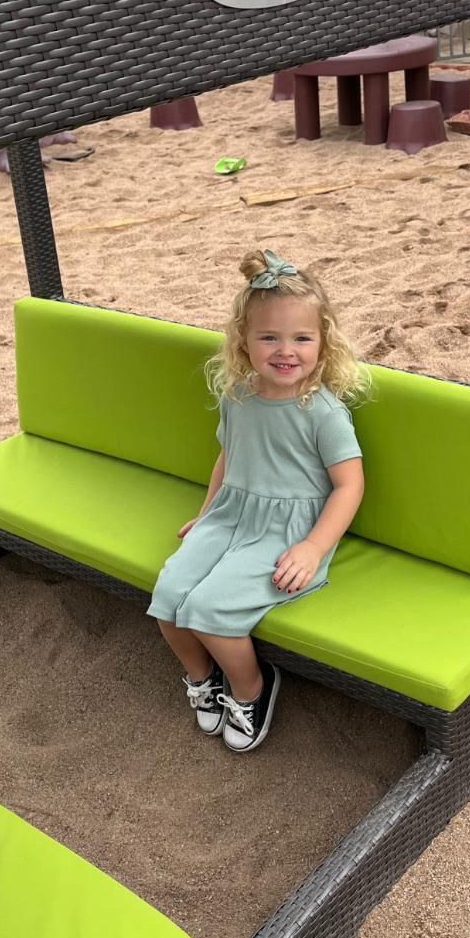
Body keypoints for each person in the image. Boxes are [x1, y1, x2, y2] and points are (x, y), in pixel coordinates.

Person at [148, 248, 367, 753]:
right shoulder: (238, 396)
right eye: (269, 337)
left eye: (301, 338)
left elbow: (349, 485)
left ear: (323, 342)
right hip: (231, 516)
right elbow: (229, 455)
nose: (285, 350)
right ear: (244, 342)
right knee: (168, 597)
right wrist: (206, 514)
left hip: (289, 531)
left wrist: (313, 548)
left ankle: (251, 689)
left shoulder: (323, 412)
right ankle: (203, 679)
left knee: (207, 609)